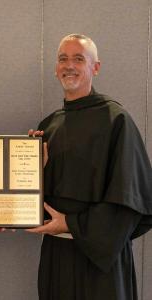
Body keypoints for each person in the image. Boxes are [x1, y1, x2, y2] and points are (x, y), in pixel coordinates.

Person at [27, 34, 152, 300]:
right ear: (55, 68)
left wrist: (70, 224)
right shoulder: (48, 125)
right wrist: (31, 166)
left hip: (100, 262)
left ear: (95, 67)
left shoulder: (117, 120)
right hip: (56, 257)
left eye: (78, 59)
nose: (68, 65)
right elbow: (40, 196)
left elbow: (129, 200)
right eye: (63, 59)